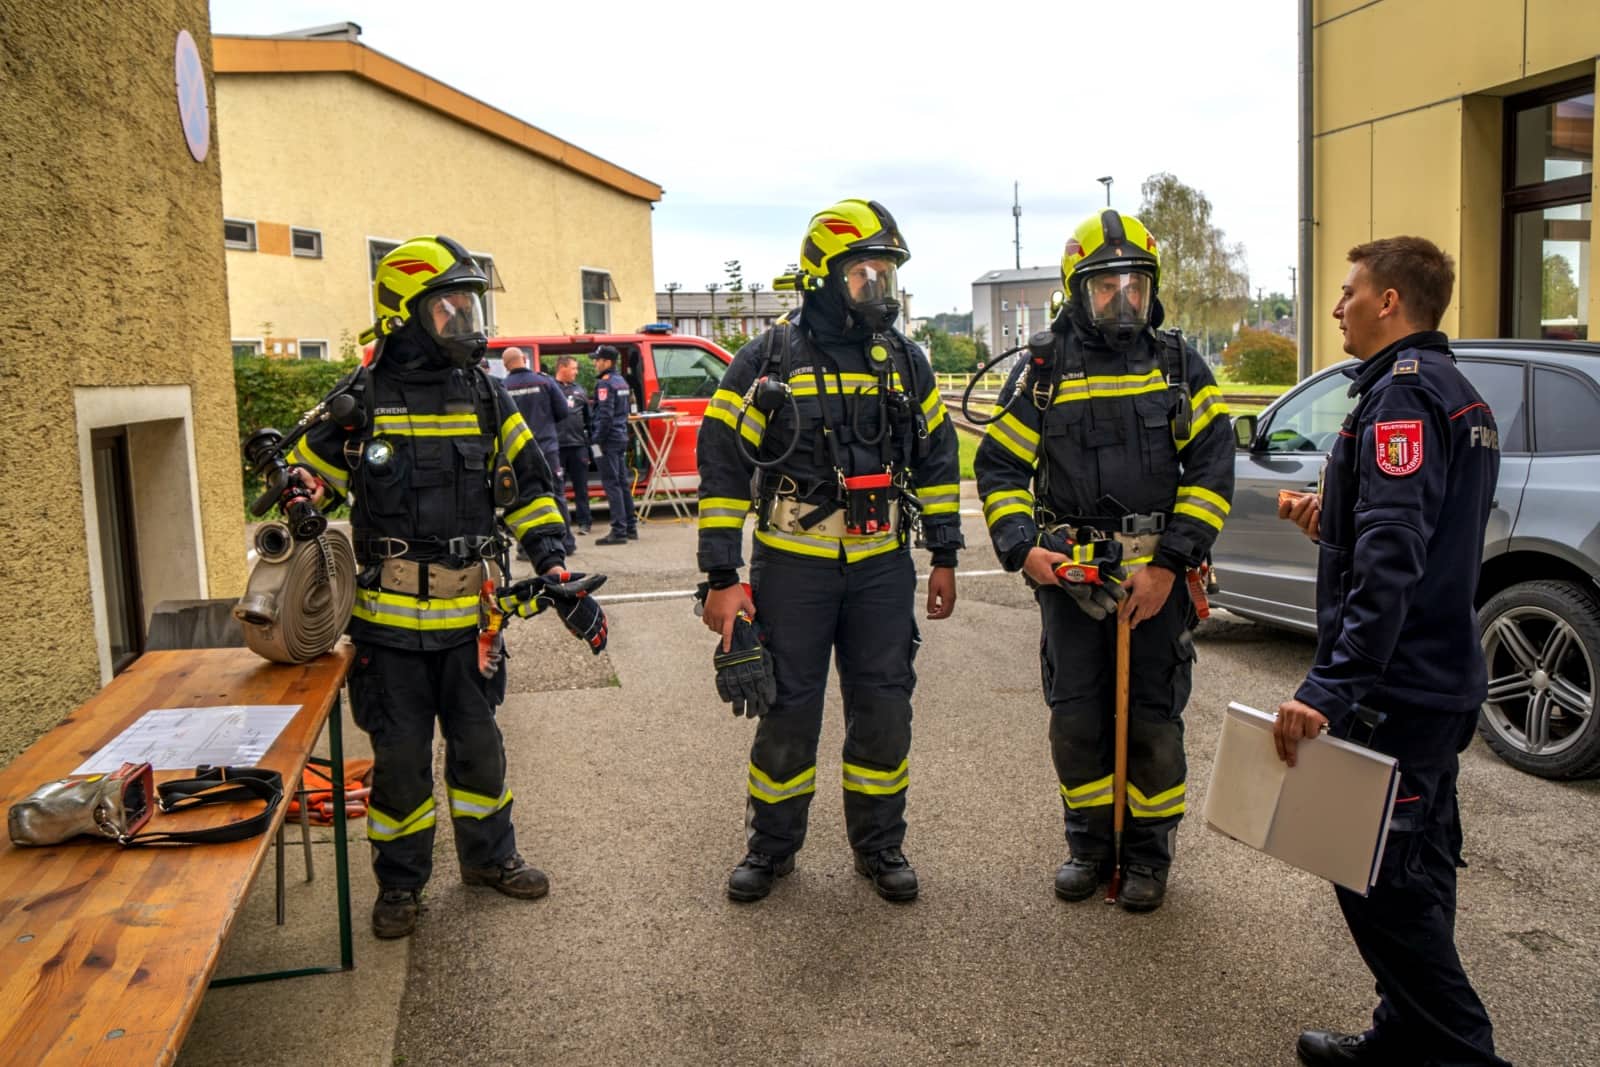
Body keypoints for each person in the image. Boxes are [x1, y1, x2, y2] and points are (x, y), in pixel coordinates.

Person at [284, 235, 596, 939]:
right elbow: (305, 484)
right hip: (387, 628)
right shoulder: (360, 400)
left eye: (468, 307)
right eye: (448, 307)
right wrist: (300, 489)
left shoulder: (485, 392)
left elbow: (531, 488)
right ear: (404, 315)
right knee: (399, 765)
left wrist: (553, 562)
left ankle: (490, 859)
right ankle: (400, 884)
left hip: (469, 623)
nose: (465, 321)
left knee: (480, 747)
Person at [1273, 236, 1507, 1067]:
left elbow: (1394, 557)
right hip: (1437, 681)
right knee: (1419, 867)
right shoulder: (1456, 394)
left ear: (1390, 302)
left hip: (1397, 692)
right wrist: (1331, 520)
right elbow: (1421, 533)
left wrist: (1330, 688)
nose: (1338, 306)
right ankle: (1402, 1037)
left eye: (1349, 292)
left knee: (1381, 884)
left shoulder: (1403, 397)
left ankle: (1463, 1054)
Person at [696, 198, 964, 903]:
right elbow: (722, 466)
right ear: (821, 276)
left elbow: (938, 460)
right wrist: (721, 575)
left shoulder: (905, 362)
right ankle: (770, 847)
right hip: (792, 568)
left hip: (881, 567)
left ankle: (880, 847)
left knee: (884, 708)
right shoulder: (767, 359)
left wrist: (944, 555)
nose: (879, 288)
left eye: (886, 274)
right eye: (863, 273)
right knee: (787, 711)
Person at [973, 209, 1235, 912]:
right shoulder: (1043, 372)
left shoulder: (1179, 365)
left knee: (1153, 722)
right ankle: (1088, 846)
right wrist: (1024, 550)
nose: (1124, 299)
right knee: (1077, 719)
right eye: (1107, 286)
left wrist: (1169, 566)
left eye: (1136, 286)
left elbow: (1213, 472)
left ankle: (1148, 855)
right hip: (1072, 583)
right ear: (1077, 291)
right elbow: (1000, 467)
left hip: (1157, 583)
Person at [503, 347, 575, 555]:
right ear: (524, 359)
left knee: (522, 498)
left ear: (506, 365)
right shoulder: (545, 381)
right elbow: (563, 411)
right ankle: (566, 543)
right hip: (547, 448)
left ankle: (527, 548)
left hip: (517, 451)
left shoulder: (503, 387)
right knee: (556, 495)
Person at [590, 345, 638, 546]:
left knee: (612, 484)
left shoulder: (605, 383)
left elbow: (605, 415)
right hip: (620, 437)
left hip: (607, 440)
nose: (595, 363)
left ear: (607, 362)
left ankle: (618, 530)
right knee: (621, 483)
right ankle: (630, 527)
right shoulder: (621, 381)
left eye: (597, 360)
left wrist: (596, 440)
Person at [554, 355, 594, 535]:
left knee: (581, 488)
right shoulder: (551, 388)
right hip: (557, 448)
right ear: (562, 368)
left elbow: (589, 419)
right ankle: (560, 525)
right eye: (573, 368)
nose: (576, 372)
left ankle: (585, 523)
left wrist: (591, 446)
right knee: (557, 489)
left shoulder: (579, 390)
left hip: (578, 446)